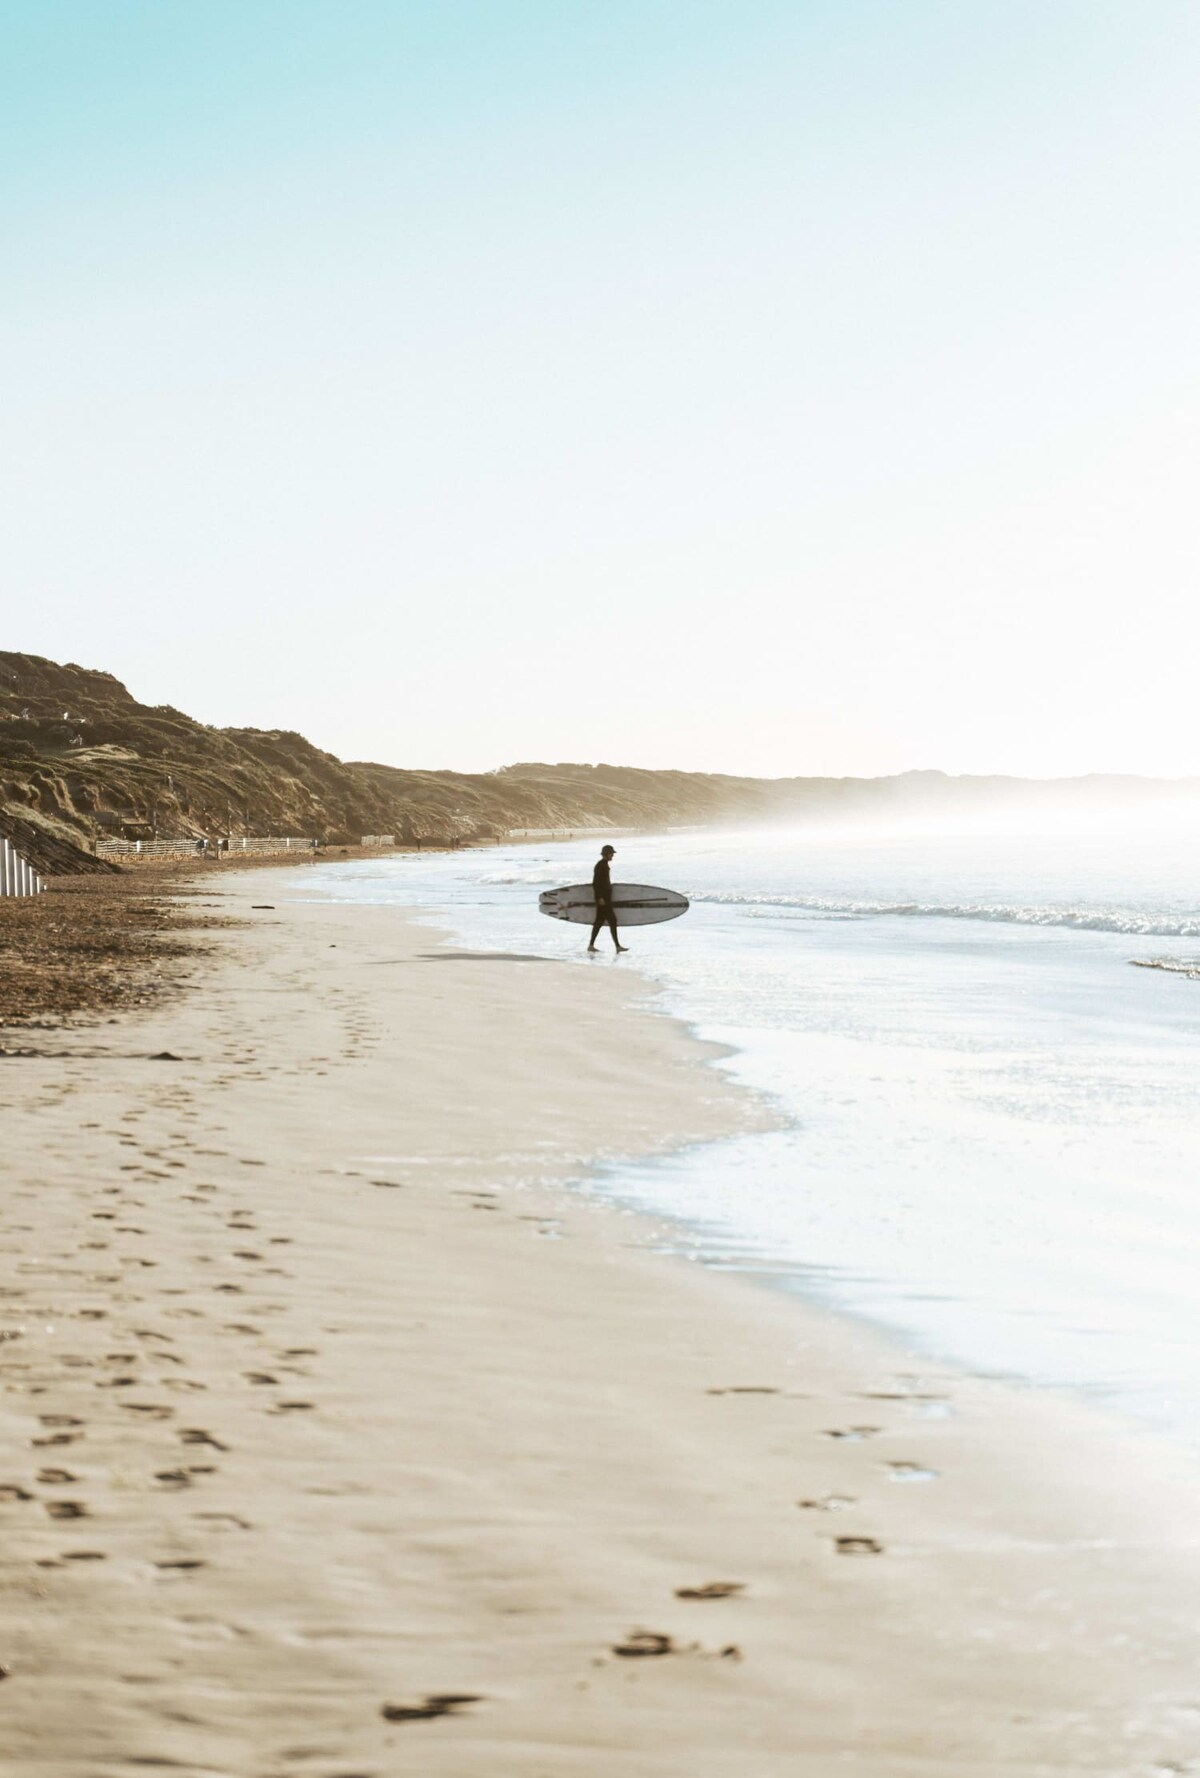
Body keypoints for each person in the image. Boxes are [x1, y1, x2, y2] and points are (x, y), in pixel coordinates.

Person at [588, 844, 628, 954]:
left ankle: (591, 945)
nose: (613, 856)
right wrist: (600, 897)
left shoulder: (604, 865)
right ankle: (617, 946)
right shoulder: (600, 866)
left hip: (605, 898)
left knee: (599, 922)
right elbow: (596, 883)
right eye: (611, 853)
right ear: (606, 854)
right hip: (603, 899)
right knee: (612, 920)